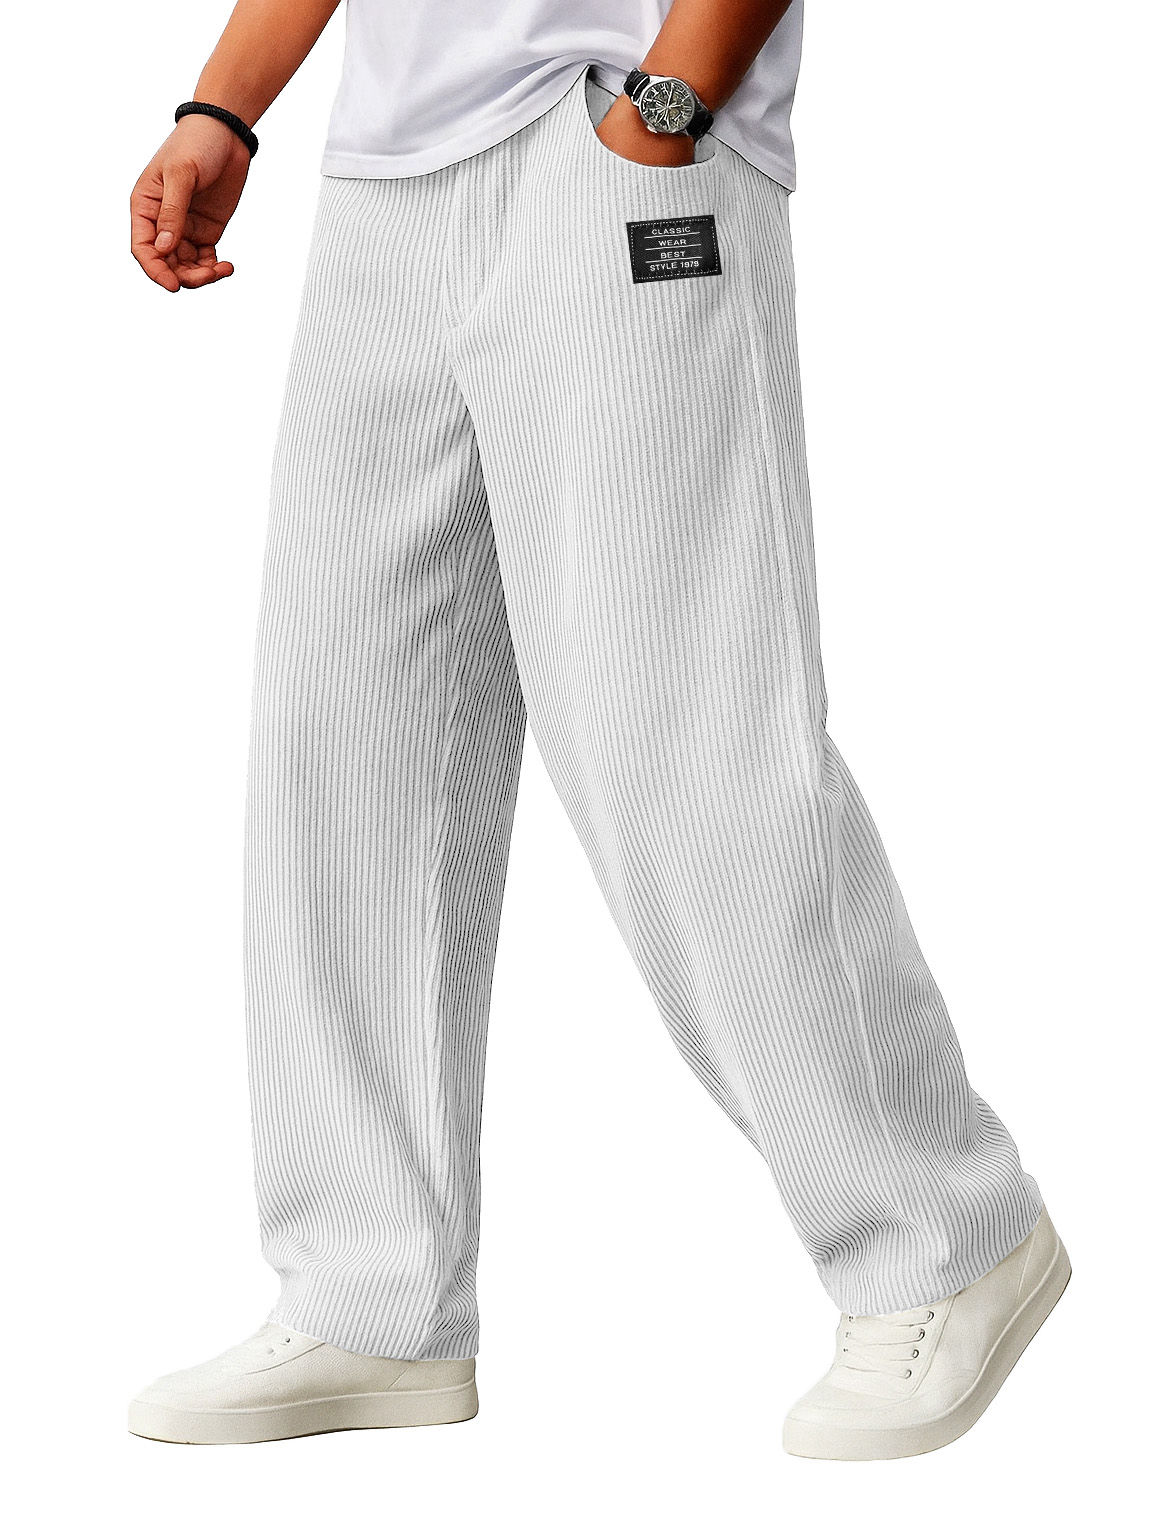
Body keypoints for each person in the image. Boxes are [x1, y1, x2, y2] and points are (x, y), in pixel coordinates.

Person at [127, 0, 1070, 1460]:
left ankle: (945, 1238)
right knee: (345, 740)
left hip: (618, 133)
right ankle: (371, 1292)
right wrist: (224, 107)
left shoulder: (648, 123)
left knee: (679, 741)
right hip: (385, 172)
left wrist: (668, 108)